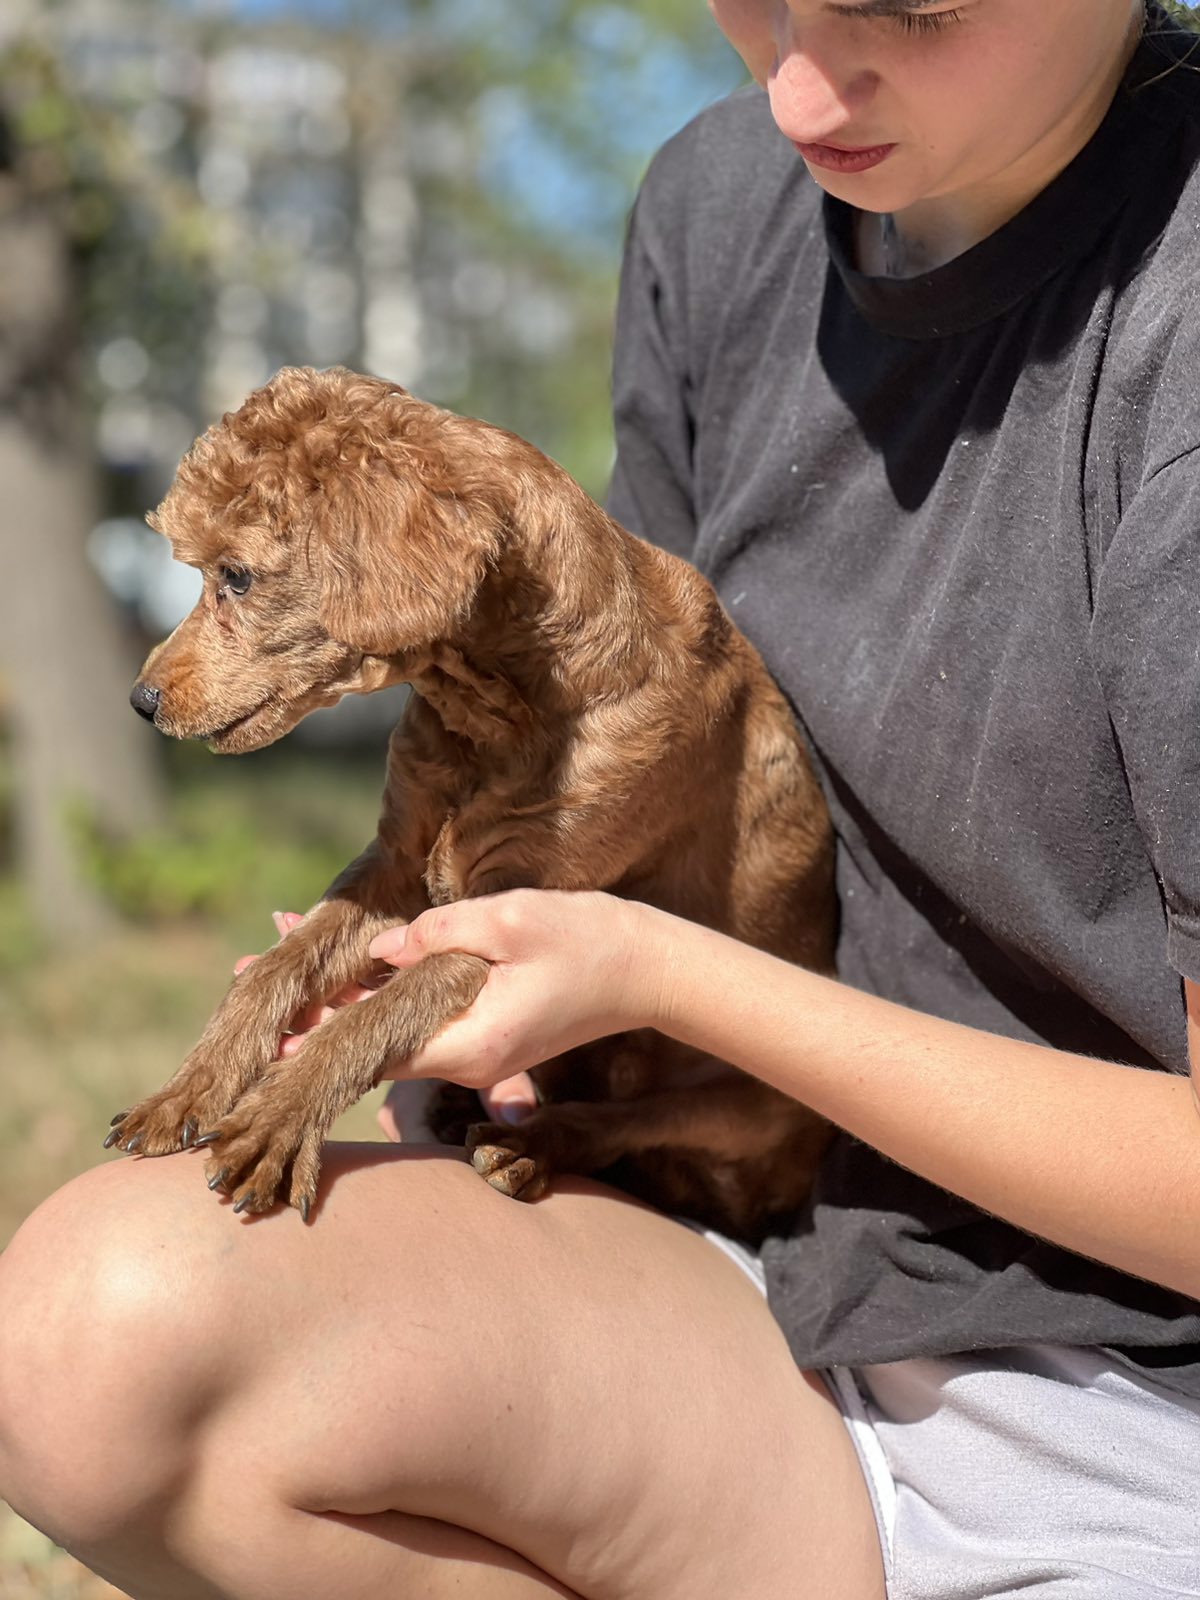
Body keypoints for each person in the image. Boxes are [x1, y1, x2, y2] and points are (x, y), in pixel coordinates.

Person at [3, 0, 1200, 1593]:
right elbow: (599, 713)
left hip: (1127, 1400)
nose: (791, 90)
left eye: (904, 9)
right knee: (95, 1341)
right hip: (760, 1253)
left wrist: (657, 974)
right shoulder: (725, 207)